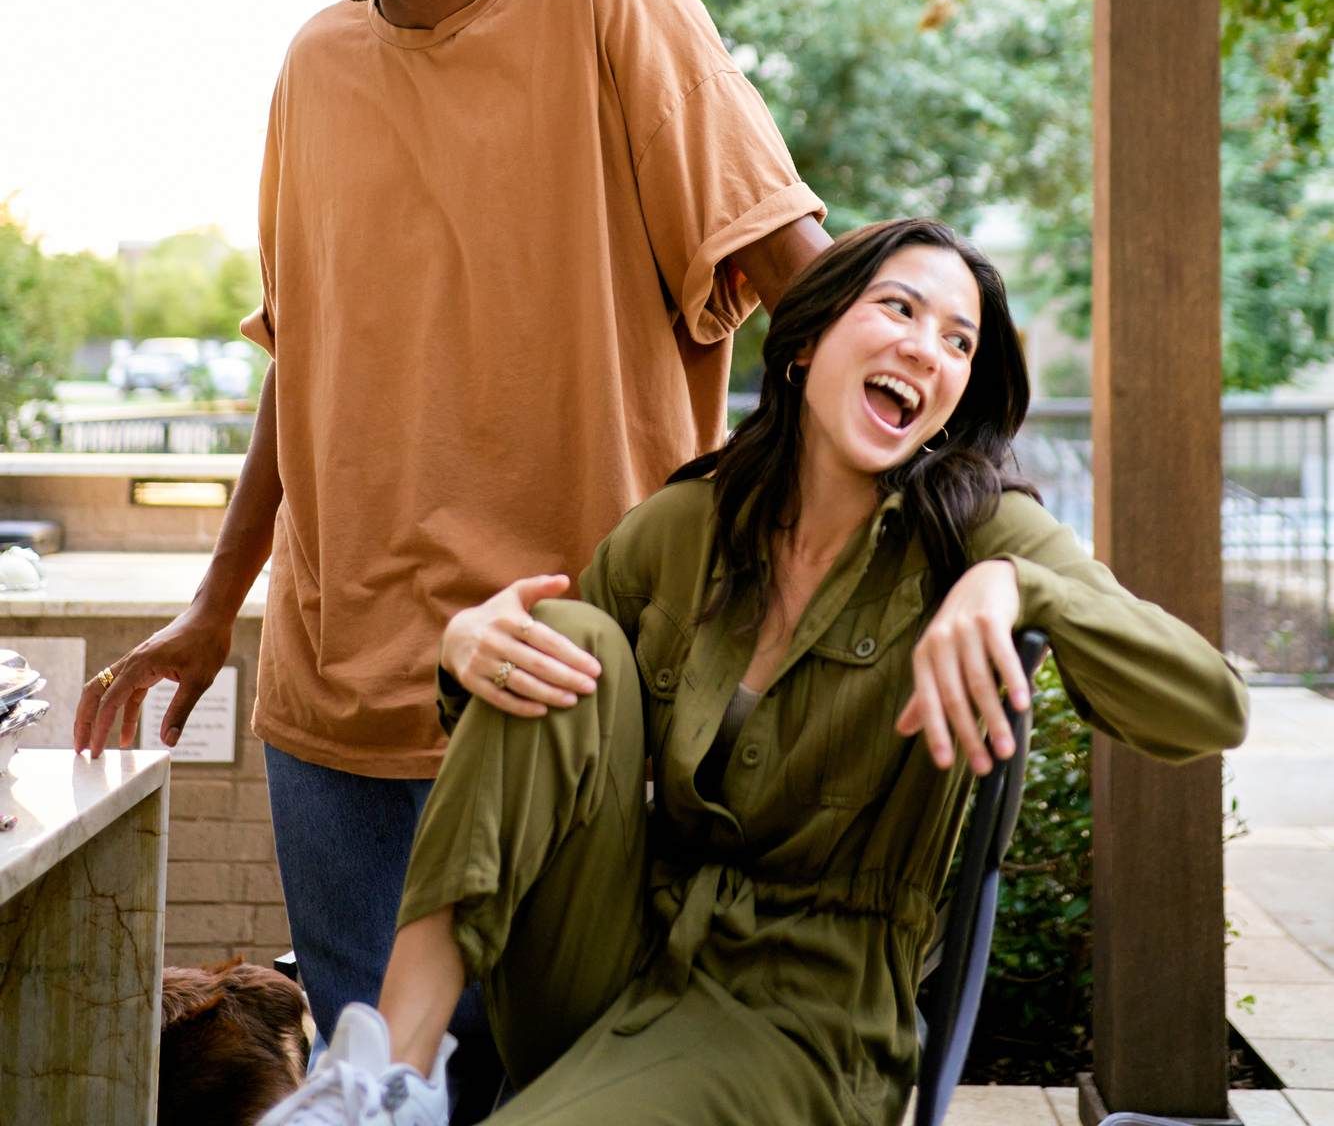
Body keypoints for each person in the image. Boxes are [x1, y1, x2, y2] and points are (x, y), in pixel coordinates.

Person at [73, 0, 828, 1056]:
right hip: (333, 707)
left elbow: (809, 291)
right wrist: (211, 610)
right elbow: (306, 368)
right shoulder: (313, 70)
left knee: (558, 1084)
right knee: (379, 1086)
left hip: (565, 697)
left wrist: (844, 568)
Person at [257, 217, 1249, 1126]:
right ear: (811, 336)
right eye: (898, 308)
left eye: (958, 340)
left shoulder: (977, 529)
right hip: (611, 955)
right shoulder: (689, 524)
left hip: (802, 1010)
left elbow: (1208, 704)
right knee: (562, 633)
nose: (925, 346)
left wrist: (1015, 585)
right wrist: (467, 648)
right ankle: (383, 1077)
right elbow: (538, 742)